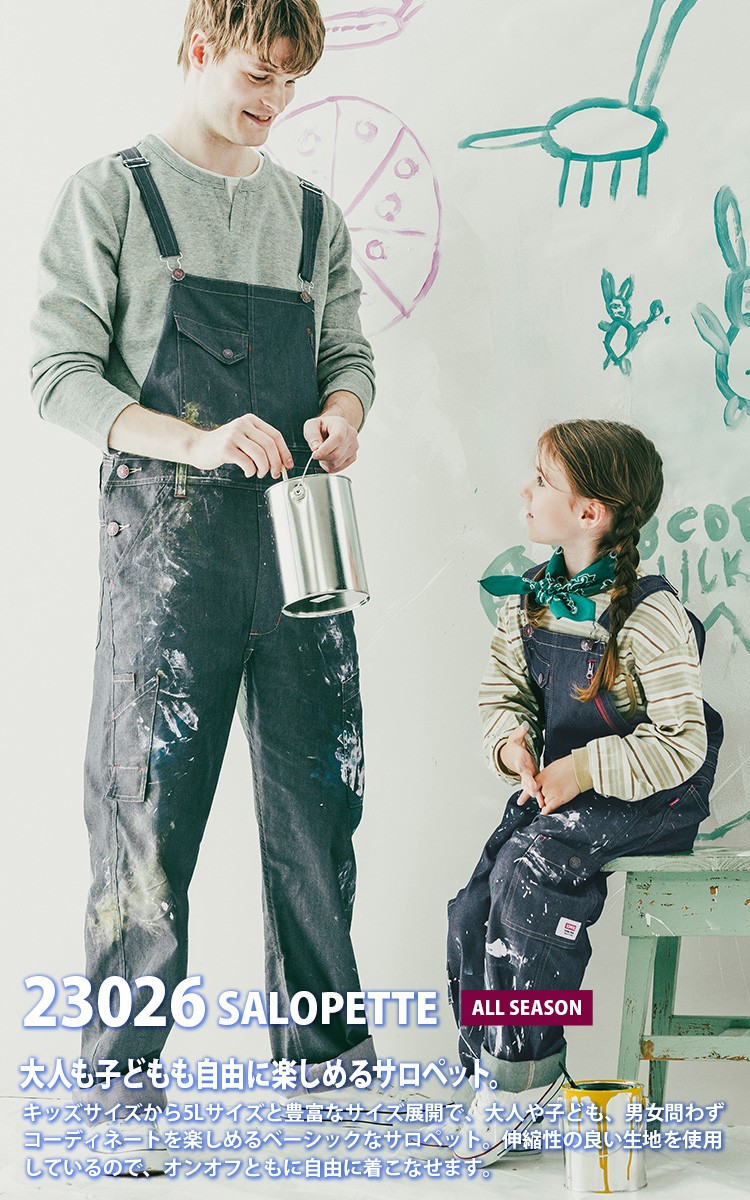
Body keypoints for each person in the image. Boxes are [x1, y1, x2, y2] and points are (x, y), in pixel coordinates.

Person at [30, 0, 377, 1156]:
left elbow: (348, 353)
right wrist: (197, 440)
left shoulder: (311, 216)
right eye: (255, 74)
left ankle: (329, 1076)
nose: (274, 101)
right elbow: (57, 375)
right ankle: (119, 1093)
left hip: (301, 549)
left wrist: (343, 414)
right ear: (196, 49)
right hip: (168, 557)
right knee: (144, 820)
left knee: (320, 811)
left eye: (290, 82)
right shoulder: (111, 195)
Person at [447, 419, 723, 1165]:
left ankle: (529, 1076)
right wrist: (513, 745)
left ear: (590, 512)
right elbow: (504, 693)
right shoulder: (530, 600)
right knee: (475, 905)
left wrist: (585, 770)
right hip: (570, 787)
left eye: (541, 480)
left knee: (531, 876)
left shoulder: (651, 615)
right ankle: (496, 1070)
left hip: (656, 794)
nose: (524, 490)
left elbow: (681, 743)